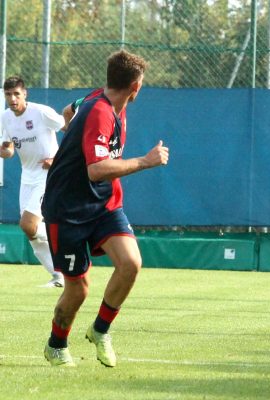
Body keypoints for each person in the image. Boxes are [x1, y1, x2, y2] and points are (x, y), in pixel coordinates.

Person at [42, 50, 169, 367]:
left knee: (131, 263)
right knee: (78, 290)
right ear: (135, 87)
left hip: (103, 204)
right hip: (67, 210)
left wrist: (72, 135)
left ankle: (100, 330)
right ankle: (56, 344)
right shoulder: (99, 110)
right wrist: (145, 161)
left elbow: (67, 111)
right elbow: (96, 169)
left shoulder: (99, 99)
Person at [0, 76, 65, 288]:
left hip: (49, 174)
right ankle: (58, 277)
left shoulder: (40, 112)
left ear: (24, 94)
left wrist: (57, 159)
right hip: (26, 178)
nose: (12, 98)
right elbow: (8, 148)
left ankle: (68, 239)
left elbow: (69, 128)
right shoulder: (6, 117)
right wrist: (5, 151)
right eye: (8, 94)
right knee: (30, 231)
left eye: (16, 94)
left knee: (28, 224)